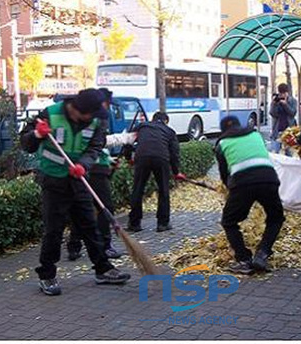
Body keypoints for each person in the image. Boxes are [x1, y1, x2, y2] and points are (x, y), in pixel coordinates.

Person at [20, 88, 130, 296]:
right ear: (80, 110)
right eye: (93, 114)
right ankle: (47, 274)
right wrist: (37, 133)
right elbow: (26, 144)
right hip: (53, 180)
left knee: (89, 225)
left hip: (78, 178)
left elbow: (96, 147)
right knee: (54, 229)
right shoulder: (50, 114)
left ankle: (103, 269)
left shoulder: (95, 122)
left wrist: (84, 164)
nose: (95, 119)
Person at [67, 88, 137, 261]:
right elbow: (99, 143)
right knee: (104, 208)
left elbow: (96, 146)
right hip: (93, 170)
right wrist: (125, 139)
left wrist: (109, 158)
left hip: (88, 167)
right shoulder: (94, 118)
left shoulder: (88, 117)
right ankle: (105, 245)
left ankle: (74, 247)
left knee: (82, 210)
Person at [216, 116, 285, 274]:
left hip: (242, 184)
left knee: (229, 221)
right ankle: (262, 253)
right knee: (276, 218)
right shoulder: (255, 134)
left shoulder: (221, 143)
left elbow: (224, 174)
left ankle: (244, 259)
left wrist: (229, 190)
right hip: (269, 179)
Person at [127, 112, 186, 233]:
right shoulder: (169, 131)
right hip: (161, 159)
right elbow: (174, 153)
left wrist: (129, 158)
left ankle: (134, 223)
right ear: (166, 121)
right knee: (163, 190)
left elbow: (128, 141)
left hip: (142, 158)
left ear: (153, 119)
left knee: (138, 189)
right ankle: (163, 223)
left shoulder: (142, 126)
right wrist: (176, 172)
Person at [269, 83, 297, 153]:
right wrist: (274, 104)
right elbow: (272, 113)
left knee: (289, 152)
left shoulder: (292, 101)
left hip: (289, 129)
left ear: (287, 92)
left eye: (284, 93)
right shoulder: (277, 100)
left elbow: (293, 113)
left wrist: (285, 104)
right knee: (275, 151)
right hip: (277, 129)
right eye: (281, 94)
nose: (282, 96)